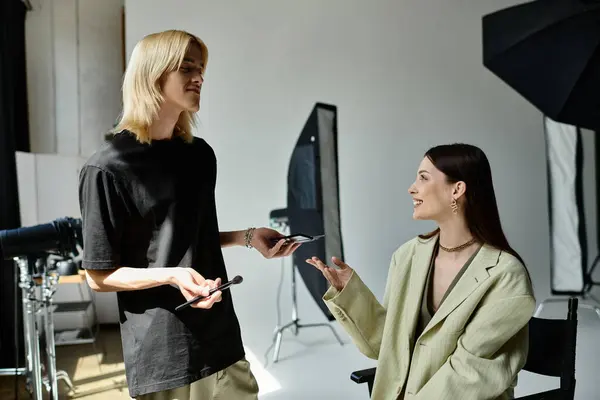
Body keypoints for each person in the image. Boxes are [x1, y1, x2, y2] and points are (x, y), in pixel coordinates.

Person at [78, 29, 299, 400]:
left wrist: (247, 237)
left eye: (201, 70)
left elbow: (184, 237)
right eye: (186, 68)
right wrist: (173, 276)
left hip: (223, 341)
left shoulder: (199, 155)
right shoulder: (106, 169)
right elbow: (98, 276)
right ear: (152, 75)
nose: (199, 78)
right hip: (164, 353)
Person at [307, 143, 535, 400]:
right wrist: (350, 294)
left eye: (423, 178)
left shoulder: (505, 274)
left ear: (457, 189)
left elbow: (470, 372)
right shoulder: (408, 256)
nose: (411, 187)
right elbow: (389, 347)